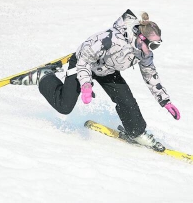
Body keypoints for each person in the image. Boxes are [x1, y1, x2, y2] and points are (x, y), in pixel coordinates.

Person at [11, 9, 180, 151]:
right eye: (152, 45)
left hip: (106, 70)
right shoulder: (111, 39)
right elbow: (84, 58)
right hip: (83, 63)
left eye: (157, 46)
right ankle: (45, 77)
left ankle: (136, 132)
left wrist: (165, 101)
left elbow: (150, 73)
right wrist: (85, 84)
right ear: (141, 38)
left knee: (127, 101)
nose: (152, 50)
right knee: (65, 106)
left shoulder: (143, 52)